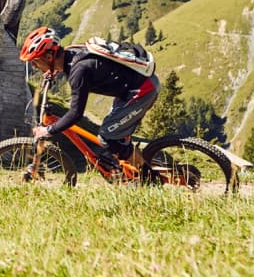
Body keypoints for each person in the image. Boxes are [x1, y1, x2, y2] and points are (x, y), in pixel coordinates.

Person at [20, 26, 159, 171]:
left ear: (49, 57)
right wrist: (52, 70)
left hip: (142, 90)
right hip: (133, 86)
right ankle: (130, 163)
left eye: (35, 61)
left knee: (108, 137)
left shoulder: (79, 71)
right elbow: (75, 65)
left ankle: (148, 177)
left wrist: (49, 130)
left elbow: (75, 114)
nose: (34, 66)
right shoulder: (71, 52)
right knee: (114, 133)